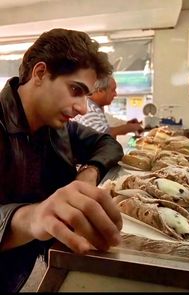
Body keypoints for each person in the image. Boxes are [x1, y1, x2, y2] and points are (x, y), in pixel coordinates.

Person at [0, 28, 124, 292]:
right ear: (40, 73)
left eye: (86, 96)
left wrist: (87, 173)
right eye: (75, 90)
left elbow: (107, 143)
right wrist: (33, 217)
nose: (82, 108)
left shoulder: (59, 128)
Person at [73, 76, 143, 138]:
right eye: (113, 90)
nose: (115, 94)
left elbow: (105, 127)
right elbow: (102, 135)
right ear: (100, 91)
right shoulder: (89, 109)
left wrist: (127, 124)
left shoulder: (96, 107)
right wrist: (131, 127)